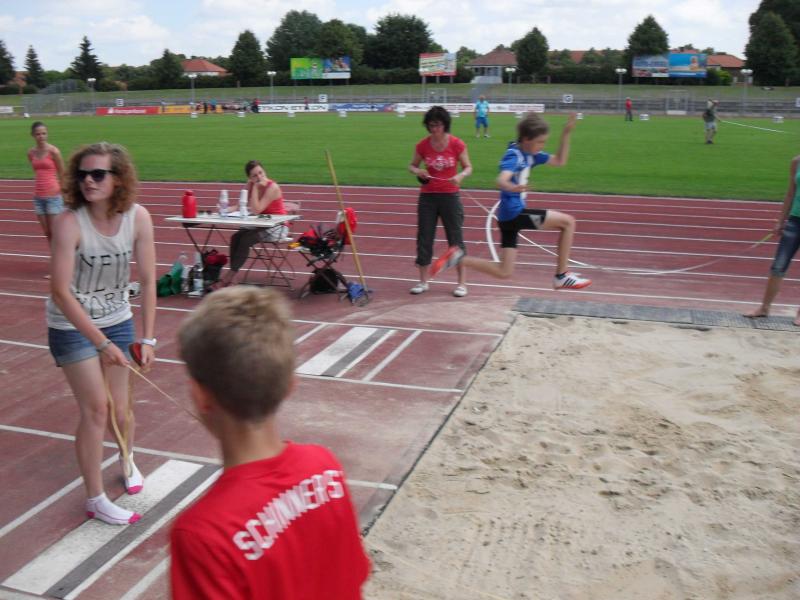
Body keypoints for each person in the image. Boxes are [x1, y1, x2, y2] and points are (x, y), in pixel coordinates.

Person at [171, 286, 370, 599]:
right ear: (290, 384)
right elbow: (352, 575)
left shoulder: (203, 535)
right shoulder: (325, 467)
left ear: (200, 395)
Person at [47, 142, 157, 525]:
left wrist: (148, 338)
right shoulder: (69, 223)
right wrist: (101, 343)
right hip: (72, 324)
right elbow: (60, 292)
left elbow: (148, 280)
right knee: (97, 409)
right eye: (82, 175)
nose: (89, 181)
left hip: (118, 318)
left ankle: (127, 459)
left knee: (122, 410)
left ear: (119, 179)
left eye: (98, 174)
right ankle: (95, 498)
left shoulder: (138, 218)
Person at [430, 113, 592, 291]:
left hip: (507, 219)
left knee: (504, 271)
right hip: (515, 214)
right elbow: (500, 180)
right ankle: (561, 276)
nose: (542, 146)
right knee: (568, 222)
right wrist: (512, 187)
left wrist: (566, 133)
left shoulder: (531, 154)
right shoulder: (514, 156)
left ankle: (458, 258)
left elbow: (559, 161)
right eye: (540, 142)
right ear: (526, 139)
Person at [407, 105, 473, 297]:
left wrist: (460, 176)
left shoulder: (457, 144)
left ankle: (461, 283)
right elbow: (412, 165)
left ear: (445, 125)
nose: (434, 129)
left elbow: (468, 167)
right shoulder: (422, 145)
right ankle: (423, 281)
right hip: (428, 197)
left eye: (438, 125)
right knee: (424, 237)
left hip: (450, 196)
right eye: (431, 125)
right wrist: (418, 171)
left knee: (455, 238)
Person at [744, 155, 800, 326]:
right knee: (778, 266)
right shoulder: (796, 162)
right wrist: (780, 221)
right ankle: (764, 308)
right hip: (795, 221)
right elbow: (791, 193)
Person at [220, 160, 291, 286]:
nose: (259, 177)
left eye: (260, 173)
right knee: (235, 237)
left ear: (264, 171)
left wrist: (256, 188)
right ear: (250, 178)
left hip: (277, 227)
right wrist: (223, 210)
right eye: (254, 175)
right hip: (261, 223)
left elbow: (256, 210)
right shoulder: (250, 184)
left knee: (245, 240)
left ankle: (229, 276)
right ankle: (233, 274)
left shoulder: (272, 187)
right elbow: (238, 206)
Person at [28, 121, 65, 245]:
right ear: (33, 135)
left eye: (44, 133)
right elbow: (37, 171)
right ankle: (54, 254)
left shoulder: (54, 151)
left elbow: (62, 174)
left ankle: (61, 255)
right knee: (47, 232)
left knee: (55, 232)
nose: (41, 136)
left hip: (53, 197)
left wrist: (65, 194)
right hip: (38, 197)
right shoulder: (31, 153)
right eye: (38, 134)